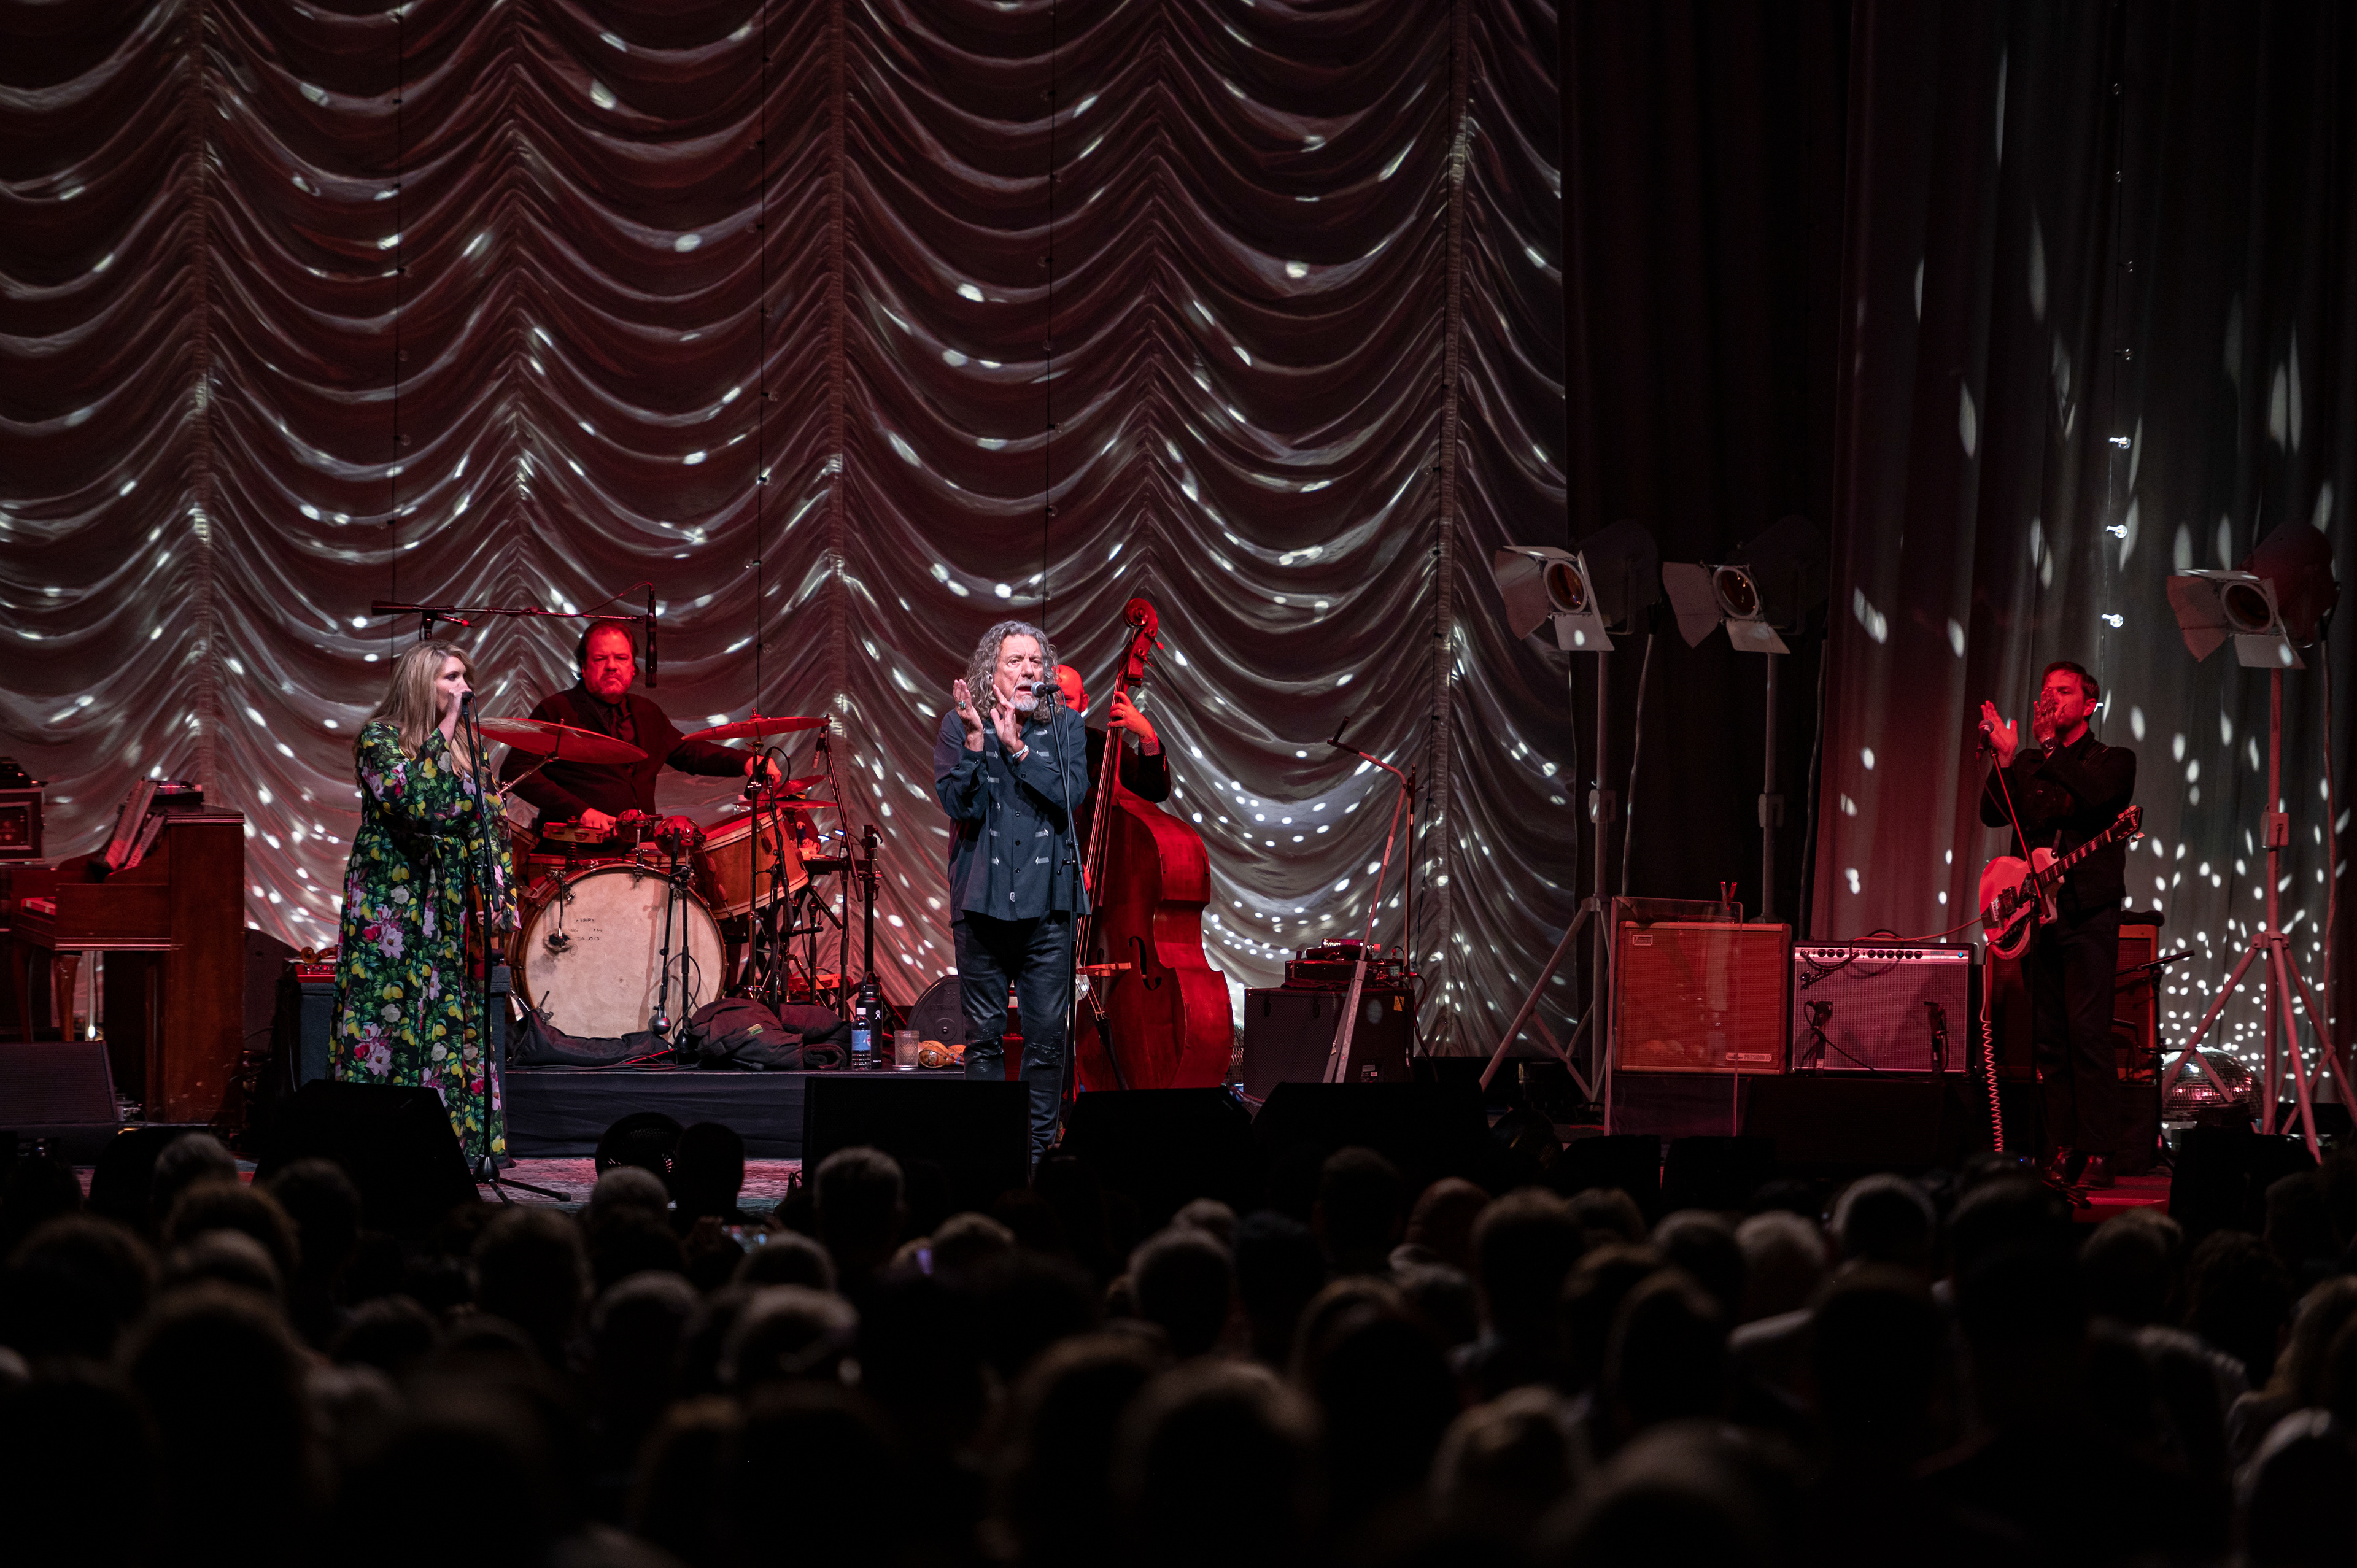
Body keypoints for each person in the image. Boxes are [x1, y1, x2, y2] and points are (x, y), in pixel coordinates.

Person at [331, 639, 517, 1159]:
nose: (464, 688)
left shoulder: (467, 750)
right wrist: (446, 729)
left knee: (440, 1013)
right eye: (451, 678)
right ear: (421, 683)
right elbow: (412, 800)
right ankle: (375, 1145)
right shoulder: (380, 738)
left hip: (445, 900)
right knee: (386, 1015)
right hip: (389, 902)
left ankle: (449, 1146)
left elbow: (490, 821)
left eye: (464, 678)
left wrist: (502, 892)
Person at [933, 621, 1091, 1162]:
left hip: (1050, 909)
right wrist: (979, 747)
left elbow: (1070, 794)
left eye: (1036, 661)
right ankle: (987, 1154)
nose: (1028, 670)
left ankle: (1036, 1155)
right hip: (981, 907)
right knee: (984, 1040)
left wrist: (1018, 750)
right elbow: (961, 807)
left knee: (1047, 1042)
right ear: (990, 671)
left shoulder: (1067, 727)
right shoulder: (961, 726)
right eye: (1015, 661)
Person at [1978, 659, 2137, 1188]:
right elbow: (1994, 813)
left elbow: (2093, 798)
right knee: (2048, 1037)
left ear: (2089, 705)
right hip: (2037, 915)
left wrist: (2049, 748)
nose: (2051, 699)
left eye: (2064, 692)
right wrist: (2003, 760)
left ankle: (2100, 1150)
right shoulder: (2027, 762)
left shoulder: (2114, 760)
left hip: (2088, 910)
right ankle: (2062, 1145)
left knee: (2087, 1031)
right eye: (2046, 691)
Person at [498, 619, 776, 847]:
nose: (611, 666)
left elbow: (687, 752)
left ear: (633, 669)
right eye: (600, 658)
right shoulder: (557, 710)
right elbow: (516, 770)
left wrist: (745, 761)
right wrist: (581, 812)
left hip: (636, 853)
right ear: (583, 668)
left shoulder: (646, 713)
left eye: (621, 658)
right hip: (573, 855)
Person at [1053, 663, 1171, 832]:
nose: (1058, 709)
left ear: (1083, 703)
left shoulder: (1104, 748)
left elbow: (1156, 790)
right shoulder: (1023, 745)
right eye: (1053, 700)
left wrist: (1146, 732)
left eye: (1068, 700)